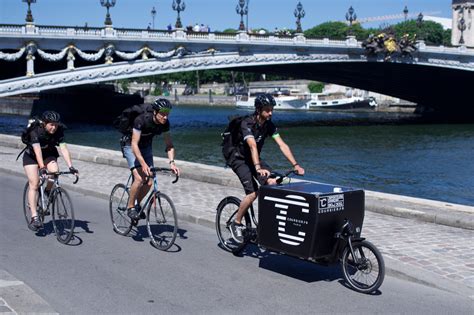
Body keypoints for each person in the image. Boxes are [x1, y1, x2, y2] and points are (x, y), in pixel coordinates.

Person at [227, 94, 305, 242]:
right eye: (267, 110)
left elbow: (282, 145)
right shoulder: (247, 123)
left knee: (273, 182)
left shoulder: (269, 125)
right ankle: (236, 223)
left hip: (254, 158)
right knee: (252, 194)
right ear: (258, 109)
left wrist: (295, 165)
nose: (271, 113)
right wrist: (257, 168)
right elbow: (252, 145)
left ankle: (267, 222)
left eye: (272, 110)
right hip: (238, 159)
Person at [121, 98, 180, 220]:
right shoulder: (141, 120)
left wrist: (172, 163)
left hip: (146, 147)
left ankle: (137, 203)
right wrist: (142, 164)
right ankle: (130, 206)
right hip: (130, 145)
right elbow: (134, 144)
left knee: (149, 181)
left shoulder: (165, 124)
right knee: (139, 178)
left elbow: (169, 145)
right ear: (155, 112)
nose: (165, 117)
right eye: (162, 114)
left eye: (167, 114)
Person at [22, 111, 78, 230]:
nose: (54, 127)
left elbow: (64, 149)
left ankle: (47, 192)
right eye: (51, 124)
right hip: (31, 156)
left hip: (49, 154)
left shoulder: (59, 131)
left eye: (56, 125)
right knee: (34, 184)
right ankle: (34, 217)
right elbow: (37, 151)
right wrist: (42, 168)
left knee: (54, 172)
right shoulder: (35, 131)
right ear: (44, 123)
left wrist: (71, 167)